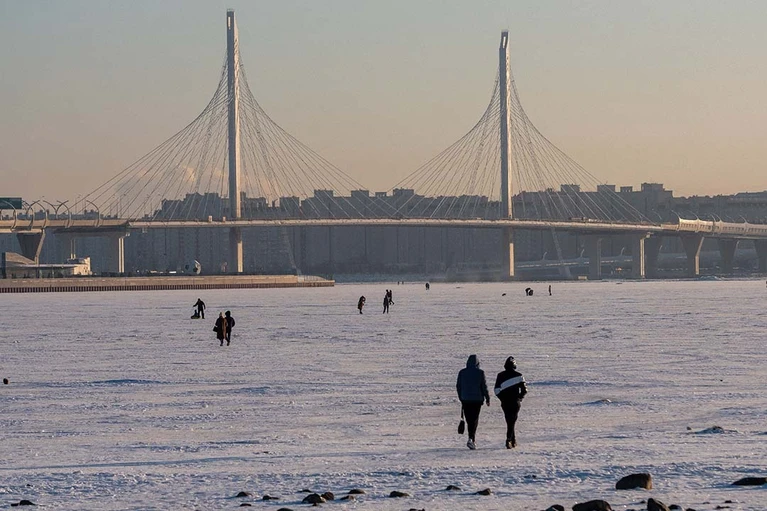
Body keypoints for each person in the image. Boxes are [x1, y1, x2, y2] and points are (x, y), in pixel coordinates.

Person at [456, 354, 490, 450]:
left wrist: (461, 397)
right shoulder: (480, 373)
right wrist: (487, 398)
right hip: (477, 400)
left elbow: (458, 386)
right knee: (474, 419)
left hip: (465, 399)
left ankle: (471, 438)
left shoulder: (462, 372)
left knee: (469, 419)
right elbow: (484, 386)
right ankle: (471, 438)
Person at [494, 356, 528, 449]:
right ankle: (509, 439)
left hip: (505, 402)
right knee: (512, 420)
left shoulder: (500, 375)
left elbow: (496, 390)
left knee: (509, 420)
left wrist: (502, 398)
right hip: (515, 401)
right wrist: (520, 398)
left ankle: (512, 439)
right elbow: (524, 390)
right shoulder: (519, 375)